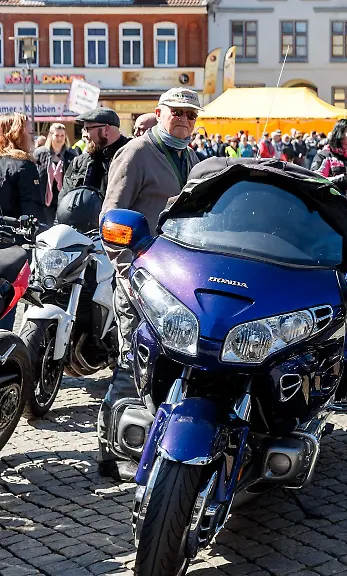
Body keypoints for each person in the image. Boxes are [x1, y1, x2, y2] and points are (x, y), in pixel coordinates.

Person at [96, 88, 202, 482]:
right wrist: (127, 272)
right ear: (159, 113)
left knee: (166, 368)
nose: (185, 121)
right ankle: (110, 453)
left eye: (191, 115)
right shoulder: (137, 153)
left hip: (176, 281)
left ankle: (153, 443)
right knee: (130, 366)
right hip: (139, 278)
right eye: (177, 113)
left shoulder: (191, 157)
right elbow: (112, 218)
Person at [0, 111, 45, 323]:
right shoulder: (24, 166)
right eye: (29, 131)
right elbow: (32, 212)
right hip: (14, 246)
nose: (32, 135)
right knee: (8, 303)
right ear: (17, 134)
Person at [62, 107, 130, 201]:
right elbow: (64, 200)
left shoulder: (131, 158)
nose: (84, 135)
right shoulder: (79, 162)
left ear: (106, 130)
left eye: (87, 129)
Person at [34, 123, 76, 224]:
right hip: (44, 200)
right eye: (56, 135)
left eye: (62, 135)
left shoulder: (71, 154)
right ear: (51, 136)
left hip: (64, 199)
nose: (59, 138)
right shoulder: (40, 153)